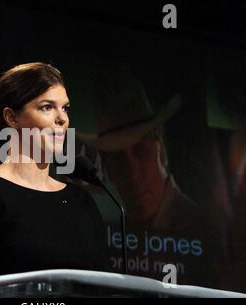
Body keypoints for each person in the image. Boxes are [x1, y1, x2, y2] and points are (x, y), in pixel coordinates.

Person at [0, 62, 107, 279]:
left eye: (65, 108)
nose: (62, 119)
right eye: (47, 107)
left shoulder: (81, 201)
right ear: (12, 117)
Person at [76, 70, 223, 287]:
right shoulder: (108, 237)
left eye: (140, 151)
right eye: (117, 159)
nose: (132, 172)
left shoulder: (208, 231)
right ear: (107, 169)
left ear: (160, 150)